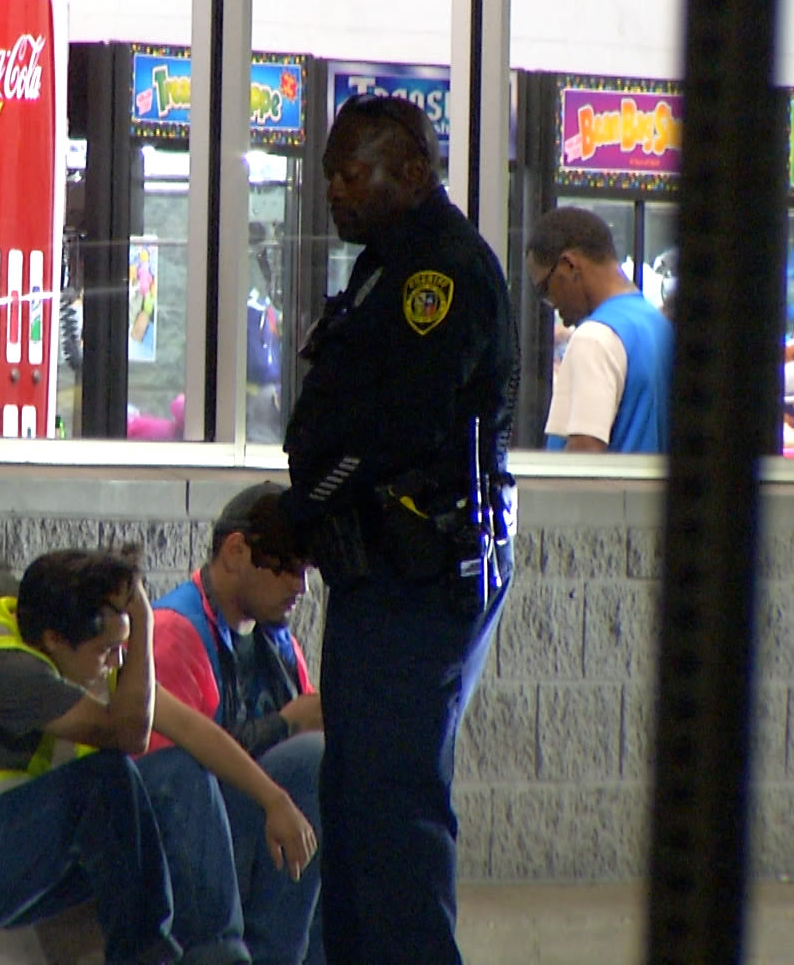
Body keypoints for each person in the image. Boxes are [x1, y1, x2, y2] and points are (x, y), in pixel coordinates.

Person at [281, 92, 517, 965]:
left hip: (423, 573)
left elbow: (399, 430)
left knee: (392, 812)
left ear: (415, 174)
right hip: (377, 572)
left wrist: (302, 508)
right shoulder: (383, 263)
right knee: (352, 802)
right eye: (330, 174)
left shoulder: (439, 273)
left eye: (355, 173)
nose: (336, 190)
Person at [0, 547, 317, 965]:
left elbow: (189, 730)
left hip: (9, 849)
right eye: (107, 652)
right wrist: (144, 620)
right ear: (55, 639)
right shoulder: (3, 670)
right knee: (106, 778)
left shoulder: (64, 643)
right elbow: (128, 733)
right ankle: (143, 956)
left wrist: (274, 800)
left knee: (177, 772)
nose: (115, 663)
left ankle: (218, 957)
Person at [150, 482, 324, 965]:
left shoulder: (275, 637)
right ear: (235, 551)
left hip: (259, 824)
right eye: (288, 567)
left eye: (307, 571)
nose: (301, 587)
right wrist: (288, 723)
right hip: (190, 838)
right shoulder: (175, 630)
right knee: (313, 761)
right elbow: (175, 778)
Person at [525, 206, 674, 454]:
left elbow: (585, 455)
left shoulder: (594, 337)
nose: (552, 304)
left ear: (569, 266)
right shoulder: (659, 326)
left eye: (545, 289)